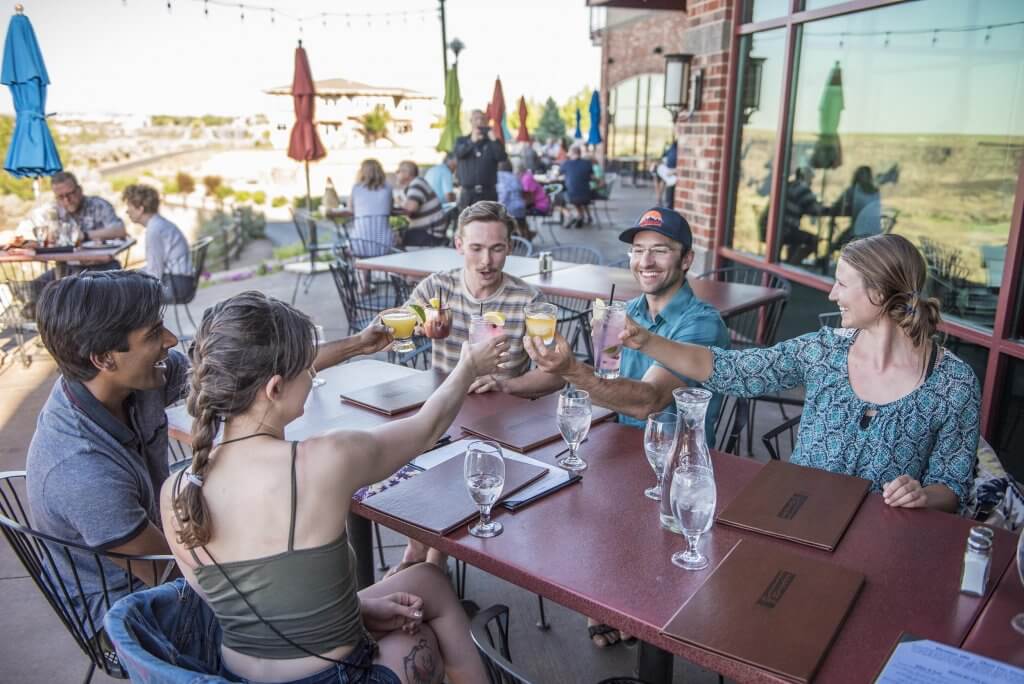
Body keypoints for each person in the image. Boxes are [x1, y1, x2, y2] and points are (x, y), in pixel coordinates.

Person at [25, 271, 396, 653]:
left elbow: (257, 369)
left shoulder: (125, 382)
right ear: (103, 358)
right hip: (139, 614)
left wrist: (356, 344)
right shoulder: (81, 470)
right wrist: (339, 609)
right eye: (154, 334)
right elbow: (170, 574)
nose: (170, 341)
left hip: (178, 559)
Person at [162, 291, 500, 683]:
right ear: (274, 388)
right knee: (426, 615)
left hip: (235, 676)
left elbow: (246, 604)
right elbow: (427, 428)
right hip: (333, 677)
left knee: (427, 580)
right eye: (308, 367)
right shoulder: (323, 460)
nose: (312, 375)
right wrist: (469, 365)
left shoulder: (176, 492)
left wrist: (356, 610)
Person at [619, 233, 980, 513]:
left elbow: (952, 486)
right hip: (797, 517)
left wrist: (922, 495)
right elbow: (732, 371)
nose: (831, 294)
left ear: (880, 291)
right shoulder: (823, 351)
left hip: (881, 541)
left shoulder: (953, 384)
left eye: (842, 282)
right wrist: (647, 341)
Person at [396, 202, 565, 574]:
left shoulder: (528, 301)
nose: (487, 260)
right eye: (476, 248)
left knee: (458, 469)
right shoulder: (437, 288)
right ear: (459, 245)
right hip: (439, 415)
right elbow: (394, 332)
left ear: (510, 247)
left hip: (501, 428)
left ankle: (428, 560)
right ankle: (423, 556)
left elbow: (557, 374)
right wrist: (420, 328)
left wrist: (508, 383)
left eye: (497, 248)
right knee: (403, 457)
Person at [122, 184, 193, 303]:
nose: (127, 211)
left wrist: (130, 281)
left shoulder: (154, 230)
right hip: (181, 282)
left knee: (126, 296)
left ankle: (150, 321)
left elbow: (154, 273)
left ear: (140, 209)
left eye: (129, 206)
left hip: (176, 286)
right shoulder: (159, 224)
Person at [36, 170, 128, 243]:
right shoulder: (54, 212)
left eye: (70, 194)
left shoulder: (99, 205)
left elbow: (119, 230)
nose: (66, 200)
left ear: (79, 190)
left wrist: (85, 235)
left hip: (102, 264)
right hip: (66, 265)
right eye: (61, 197)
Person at [454, 109, 507, 209]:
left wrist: (494, 139)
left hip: (488, 193)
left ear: (486, 122)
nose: (479, 121)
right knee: (467, 223)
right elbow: (458, 153)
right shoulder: (462, 141)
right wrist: (472, 142)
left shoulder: (492, 142)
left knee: (490, 222)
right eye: (476, 119)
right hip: (468, 194)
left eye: (482, 119)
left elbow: (502, 157)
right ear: (471, 121)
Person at [778, 167, 828, 265]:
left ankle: (789, 264)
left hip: (775, 228)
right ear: (805, 176)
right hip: (786, 230)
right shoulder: (802, 188)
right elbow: (816, 210)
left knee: (797, 237)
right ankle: (791, 267)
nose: (812, 179)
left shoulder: (790, 185)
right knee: (813, 240)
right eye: (811, 177)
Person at [349, 159, 395, 258]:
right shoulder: (388, 188)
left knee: (361, 257)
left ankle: (363, 273)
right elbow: (391, 208)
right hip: (383, 243)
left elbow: (351, 209)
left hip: (360, 241)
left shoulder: (356, 188)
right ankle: (383, 272)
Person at [394, 160, 447, 247]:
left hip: (430, 234)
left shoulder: (417, 184)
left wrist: (396, 202)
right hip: (428, 232)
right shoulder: (415, 185)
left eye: (398, 171)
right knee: (399, 235)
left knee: (396, 241)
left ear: (407, 173)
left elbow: (410, 209)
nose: (396, 174)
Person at [830, 165, 882, 250]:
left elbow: (837, 205)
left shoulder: (853, 190)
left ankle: (827, 259)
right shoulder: (876, 191)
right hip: (876, 233)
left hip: (857, 233)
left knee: (836, 245)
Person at [560, 145, 594, 228]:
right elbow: (592, 177)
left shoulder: (566, 163)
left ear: (572, 153)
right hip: (587, 195)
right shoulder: (587, 163)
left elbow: (558, 175)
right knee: (577, 193)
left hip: (572, 195)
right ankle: (580, 216)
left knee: (556, 199)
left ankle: (569, 215)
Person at [496, 159, 530, 239]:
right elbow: (521, 190)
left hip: (508, 208)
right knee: (521, 220)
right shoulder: (515, 177)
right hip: (520, 207)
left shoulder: (499, 176)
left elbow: (504, 194)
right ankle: (525, 237)